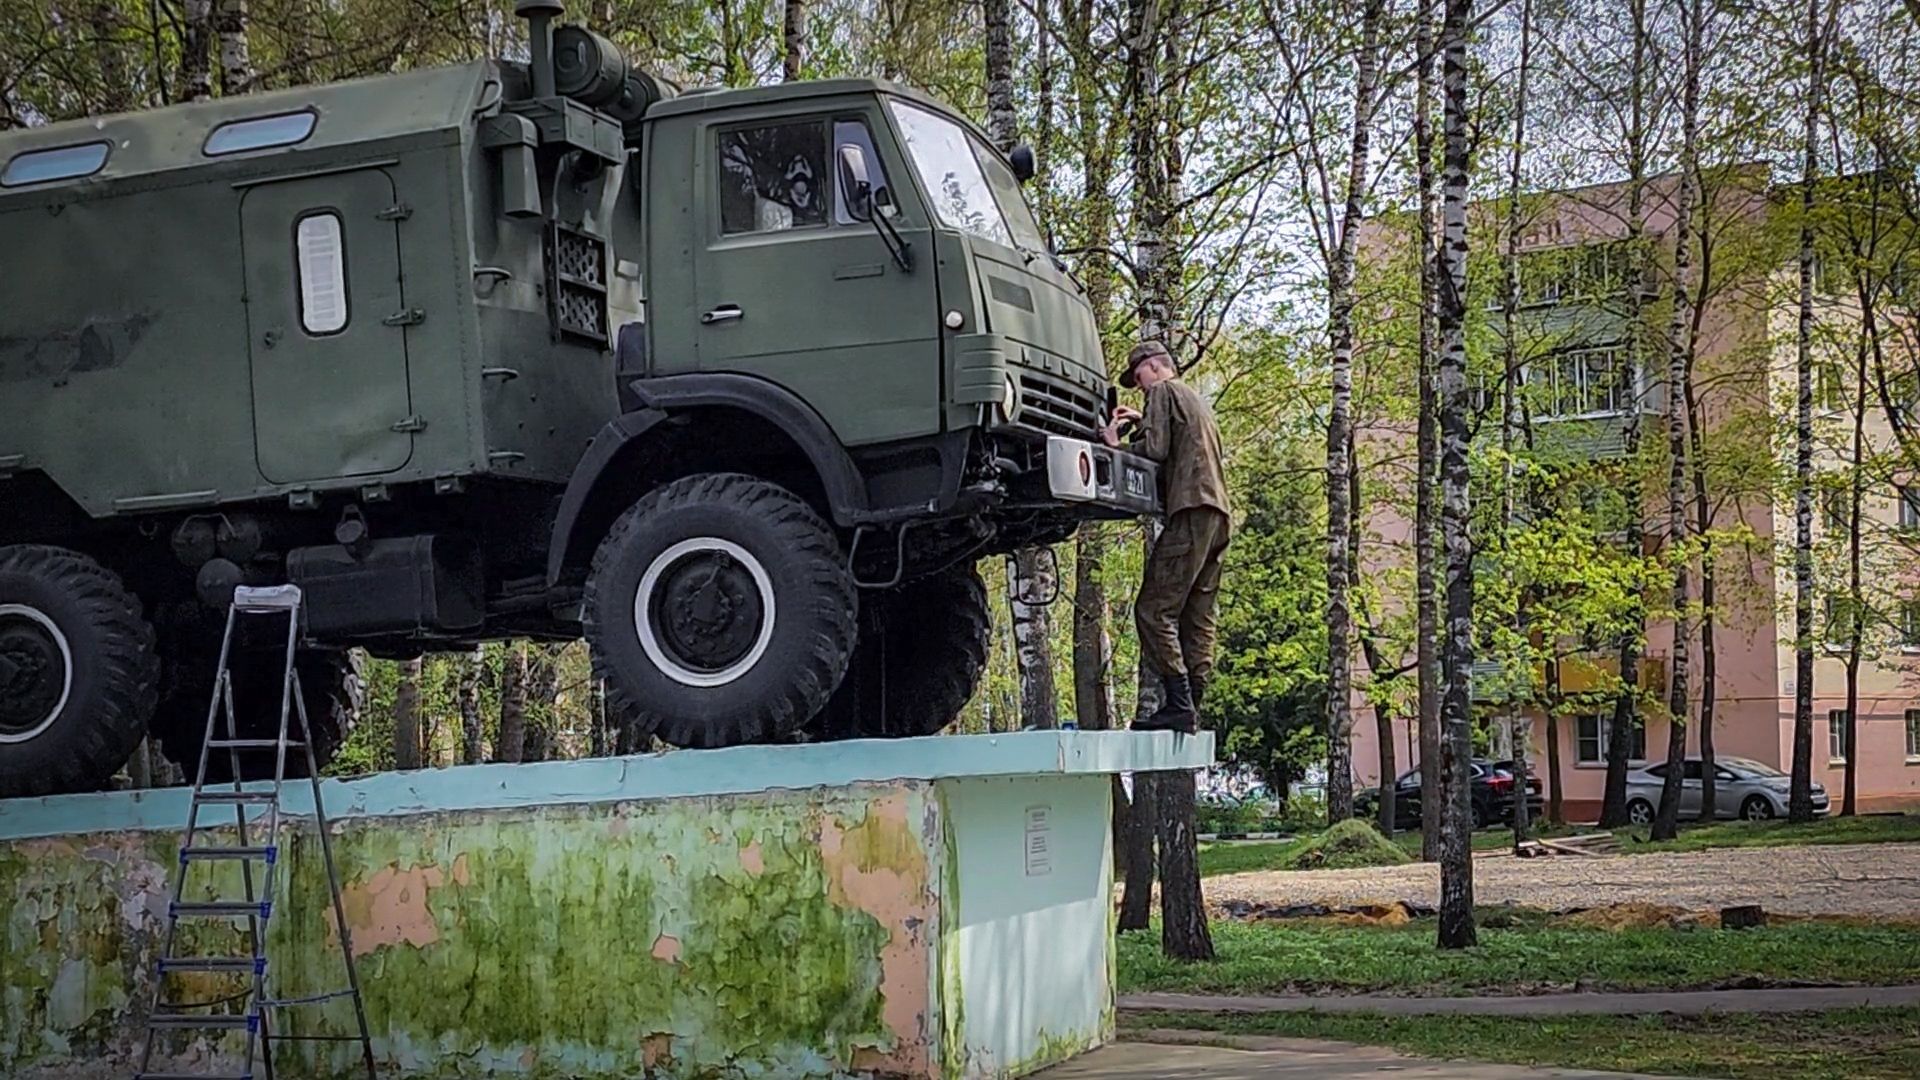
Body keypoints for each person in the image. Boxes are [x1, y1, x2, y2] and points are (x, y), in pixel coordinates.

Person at [1101, 340, 1231, 734]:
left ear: (1154, 367)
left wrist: (1115, 443)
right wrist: (1146, 418)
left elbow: (1154, 451)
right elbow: (1180, 440)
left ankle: (1178, 703)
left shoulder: (1161, 391)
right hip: (1219, 514)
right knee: (1198, 615)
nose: (1137, 385)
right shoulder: (1195, 400)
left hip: (1189, 509)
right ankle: (1194, 703)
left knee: (1153, 609)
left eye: (1137, 376)